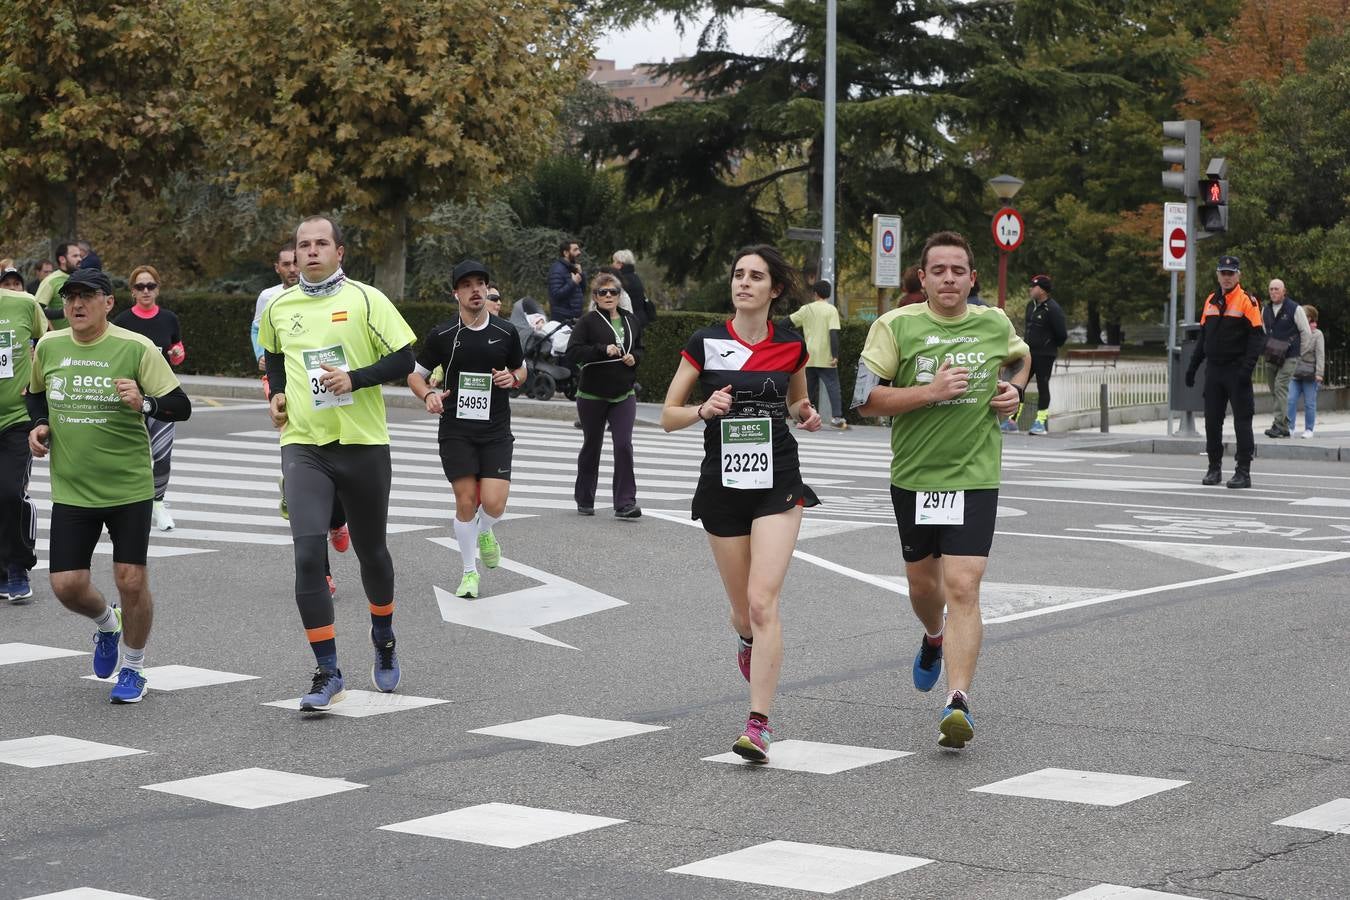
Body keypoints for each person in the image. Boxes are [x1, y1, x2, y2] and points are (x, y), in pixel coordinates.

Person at [854, 230, 1030, 750]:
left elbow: (1021, 357)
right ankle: (933, 636)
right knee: (924, 589)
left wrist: (1014, 391)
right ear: (923, 278)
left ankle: (958, 701)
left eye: (959, 270)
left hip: (975, 475)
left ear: (972, 278)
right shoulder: (895, 326)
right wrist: (929, 392)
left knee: (963, 588)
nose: (949, 279)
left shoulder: (993, 322)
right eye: (939, 271)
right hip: (915, 477)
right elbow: (865, 401)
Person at [661, 244, 822, 764]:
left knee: (762, 600)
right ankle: (746, 640)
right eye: (738, 275)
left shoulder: (791, 345)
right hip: (723, 484)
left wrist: (806, 412)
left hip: (778, 478)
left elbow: (796, 400)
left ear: (775, 290)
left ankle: (758, 724)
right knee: (742, 612)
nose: (744, 283)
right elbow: (667, 414)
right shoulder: (705, 342)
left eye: (756, 277)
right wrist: (703, 409)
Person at [258, 215, 416, 711]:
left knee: (373, 554)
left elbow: (404, 358)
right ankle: (327, 671)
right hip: (304, 446)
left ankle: (384, 637)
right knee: (307, 555)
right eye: (303, 245)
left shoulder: (367, 299)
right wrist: (280, 394)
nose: (310, 251)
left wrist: (356, 378)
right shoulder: (279, 305)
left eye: (320, 243)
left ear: (339, 251)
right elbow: (275, 355)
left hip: (363, 444)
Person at [27, 268, 192, 703]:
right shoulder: (50, 345)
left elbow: (180, 405)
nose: (77, 305)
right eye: (70, 298)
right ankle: (107, 623)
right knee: (66, 585)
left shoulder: (134, 347)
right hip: (73, 487)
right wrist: (41, 424)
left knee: (131, 579)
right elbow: (35, 393)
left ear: (108, 302)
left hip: (128, 486)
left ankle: (134, 668)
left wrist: (145, 402)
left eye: (86, 296)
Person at [407, 259, 525, 600]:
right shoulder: (443, 334)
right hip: (456, 430)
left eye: (481, 284)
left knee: (494, 504)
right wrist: (428, 394)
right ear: (455, 292)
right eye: (468, 284)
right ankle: (469, 573)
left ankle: (486, 531)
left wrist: (512, 378)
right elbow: (415, 375)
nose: (476, 290)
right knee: (466, 501)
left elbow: (522, 370)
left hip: (496, 430)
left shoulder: (505, 331)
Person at [112, 266, 185, 531]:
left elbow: (177, 350)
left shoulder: (169, 319)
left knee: (162, 455)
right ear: (132, 291)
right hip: (128, 399)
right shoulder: (121, 321)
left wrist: (177, 354)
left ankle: (158, 502)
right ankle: (126, 505)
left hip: (161, 398)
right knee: (130, 456)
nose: (146, 291)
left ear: (157, 289)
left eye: (150, 286)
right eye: (140, 286)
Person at [567, 271, 643, 518]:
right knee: (592, 445)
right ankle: (585, 498)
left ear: (620, 295)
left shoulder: (631, 320)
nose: (608, 296)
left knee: (623, 445)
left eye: (613, 292)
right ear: (595, 296)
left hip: (624, 393)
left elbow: (640, 348)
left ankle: (625, 503)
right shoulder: (588, 322)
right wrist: (602, 349)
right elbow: (574, 352)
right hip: (592, 394)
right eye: (603, 292)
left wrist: (635, 358)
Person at [1185, 255, 1265, 489]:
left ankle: (1243, 472)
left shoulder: (1247, 301)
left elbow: (1256, 339)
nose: (1227, 277)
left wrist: (1246, 370)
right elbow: (1203, 338)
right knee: (1212, 421)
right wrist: (1193, 367)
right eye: (1223, 273)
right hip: (1215, 371)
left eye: (1231, 273)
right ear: (1218, 275)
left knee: (1242, 421)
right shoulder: (1211, 300)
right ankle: (1214, 468)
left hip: (1236, 370)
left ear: (1238, 275)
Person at [0, 270, 45, 602]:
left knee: (9, 493)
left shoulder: (24, 304)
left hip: (16, 418)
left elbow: (50, 343)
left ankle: (18, 565)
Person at [789, 279, 849, 429]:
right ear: (828, 294)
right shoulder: (831, 310)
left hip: (808, 357)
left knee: (807, 389)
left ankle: (802, 416)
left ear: (815, 293)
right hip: (826, 357)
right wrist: (835, 355)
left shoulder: (806, 309)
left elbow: (787, 322)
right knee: (833, 387)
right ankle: (837, 417)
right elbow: (833, 333)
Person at [1019, 274, 1068, 435]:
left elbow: (1061, 334)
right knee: (1020, 384)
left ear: (1043, 290)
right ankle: (1012, 419)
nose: (1030, 289)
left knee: (1042, 385)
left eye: (1034, 286)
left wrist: (1049, 346)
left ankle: (1040, 421)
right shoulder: (1030, 306)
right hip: (1029, 353)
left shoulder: (1052, 309)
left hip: (1045, 354)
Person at [1262, 279, 1310, 438]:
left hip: (1289, 356)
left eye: (1276, 289)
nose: (1273, 292)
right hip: (1271, 355)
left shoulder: (1295, 308)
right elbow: (1264, 332)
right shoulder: (1265, 310)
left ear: (1284, 291)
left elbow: (1306, 332)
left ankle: (1278, 425)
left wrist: (1298, 353)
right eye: (1271, 289)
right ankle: (1284, 424)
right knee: (1274, 389)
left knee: (1280, 386)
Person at [251, 242, 300, 376]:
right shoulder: (267, 297)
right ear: (277, 268)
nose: (292, 269)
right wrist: (260, 355)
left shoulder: (317, 296)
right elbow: (256, 329)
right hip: (279, 371)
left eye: (296, 263)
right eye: (286, 264)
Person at [1287, 304, 1324, 438]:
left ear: (1309, 318)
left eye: (1302, 315)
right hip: (1295, 372)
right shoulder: (1296, 332)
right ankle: (1290, 428)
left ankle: (1309, 429)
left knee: (1309, 403)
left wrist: (1319, 373)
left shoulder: (1317, 334)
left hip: (1310, 375)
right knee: (1290, 400)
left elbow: (1320, 355)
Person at [34, 242, 84, 328]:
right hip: (61, 337)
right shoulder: (51, 281)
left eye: (80, 256)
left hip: (85, 336)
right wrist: (63, 313)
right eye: (75, 256)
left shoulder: (83, 278)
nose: (79, 259)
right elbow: (36, 310)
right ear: (62, 259)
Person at [612, 249, 656, 325]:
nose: (612, 264)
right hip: (640, 317)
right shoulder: (634, 276)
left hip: (629, 320)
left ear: (620, 264)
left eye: (614, 261)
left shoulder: (621, 279)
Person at [547, 238, 585, 323]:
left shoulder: (573, 267)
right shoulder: (557, 269)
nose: (579, 252)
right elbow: (556, 295)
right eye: (575, 250)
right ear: (566, 253)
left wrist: (581, 274)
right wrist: (573, 283)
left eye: (578, 249)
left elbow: (582, 291)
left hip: (575, 316)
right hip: (562, 318)